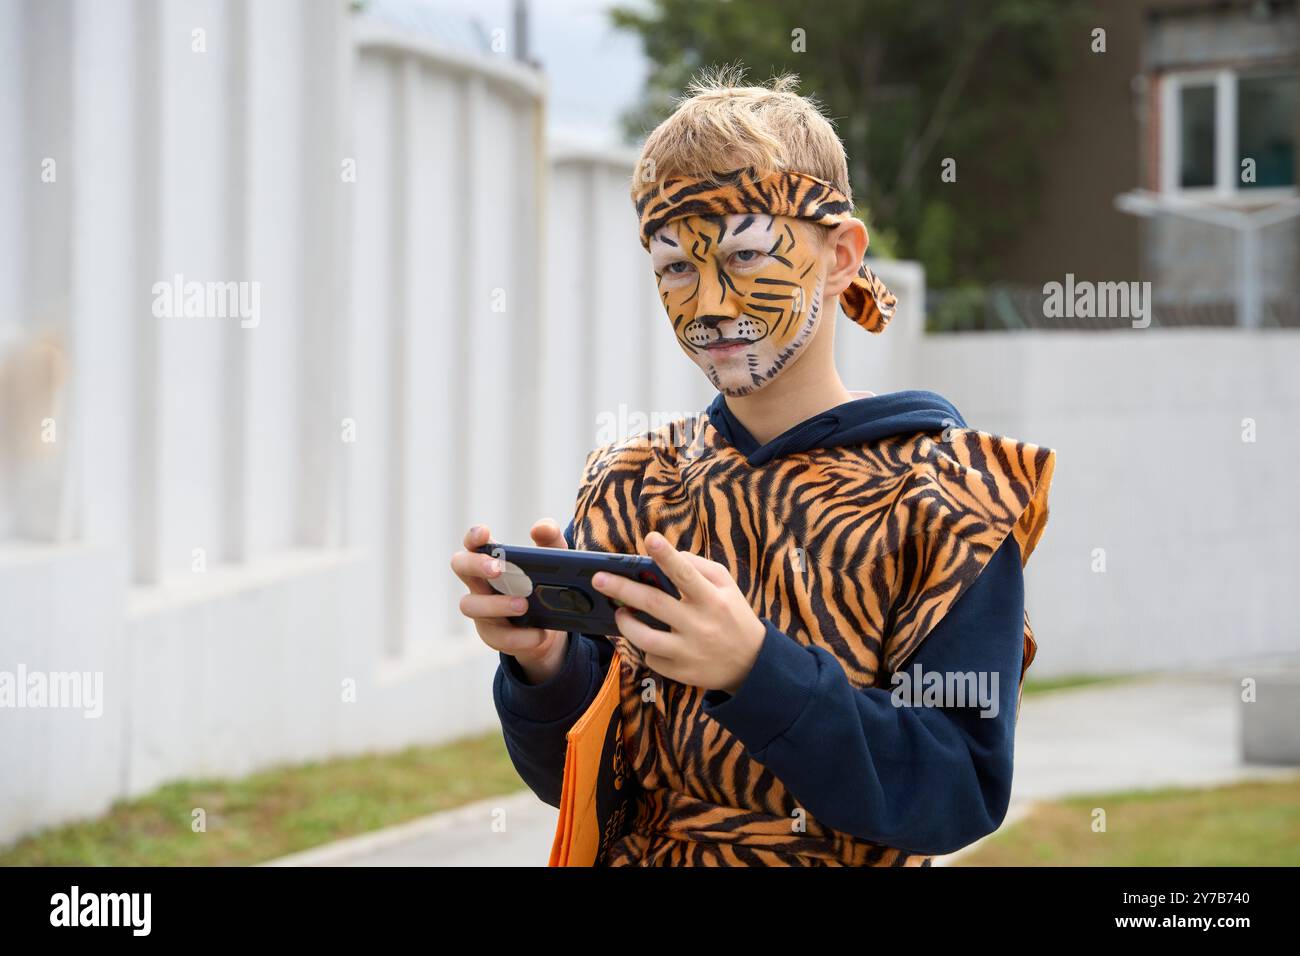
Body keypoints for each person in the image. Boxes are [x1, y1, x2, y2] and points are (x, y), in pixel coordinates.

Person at [451, 68, 1055, 866]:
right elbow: (582, 785)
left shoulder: (949, 499)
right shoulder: (631, 482)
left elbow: (956, 791)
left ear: (841, 256)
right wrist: (546, 668)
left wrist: (756, 670)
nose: (706, 304)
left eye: (745, 255)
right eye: (674, 267)